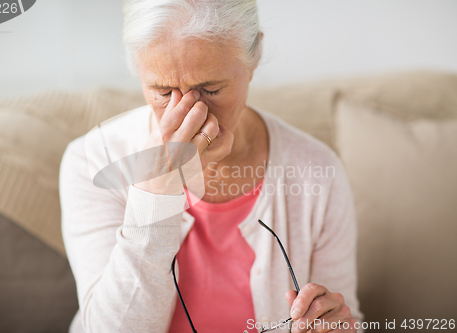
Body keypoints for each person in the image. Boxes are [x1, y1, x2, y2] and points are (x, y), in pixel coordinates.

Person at [59, 1, 364, 332]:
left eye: (211, 89)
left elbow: (344, 317)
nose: (191, 114)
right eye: (163, 91)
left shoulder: (318, 170)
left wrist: (333, 324)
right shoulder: (92, 161)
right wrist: (156, 190)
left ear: (255, 56)